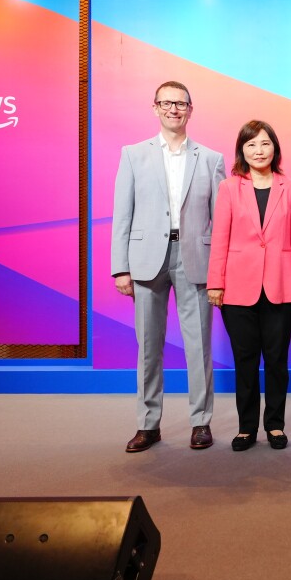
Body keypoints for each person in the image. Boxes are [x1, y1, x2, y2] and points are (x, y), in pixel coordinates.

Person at [112, 81, 225, 452]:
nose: (173, 109)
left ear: (191, 110)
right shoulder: (133, 154)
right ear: (155, 107)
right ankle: (148, 425)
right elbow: (122, 215)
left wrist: (220, 270)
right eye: (166, 103)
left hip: (196, 259)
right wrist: (121, 268)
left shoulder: (211, 159)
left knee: (199, 346)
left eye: (180, 103)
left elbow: (221, 222)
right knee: (148, 347)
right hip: (146, 261)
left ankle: (201, 422)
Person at [207, 121, 291, 451]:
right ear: (242, 150)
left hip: (281, 284)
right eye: (251, 145)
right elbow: (220, 238)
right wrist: (215, 282)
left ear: (275, 148)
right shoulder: (229, 188)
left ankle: (275, 425)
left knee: (277, 360)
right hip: (237, 287)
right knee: (245, 360)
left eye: (265, 144)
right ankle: (247, 427)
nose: (259, 150)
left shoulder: (289, 188)